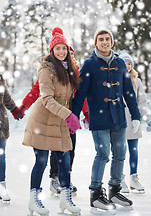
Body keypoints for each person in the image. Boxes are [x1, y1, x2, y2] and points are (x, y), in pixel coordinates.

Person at [72, 27, 141, 214]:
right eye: (101, 39)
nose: (104, 42)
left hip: (118, 116)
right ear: (95, 43)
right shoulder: (89, 64)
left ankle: (115, 190)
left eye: (107, 39)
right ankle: (95, 194)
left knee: (120, 154)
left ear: (112, 42)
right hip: (99, 116)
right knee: (102, 154)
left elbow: (129, 92)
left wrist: (136, 115)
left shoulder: (120, 63)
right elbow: (80, 93)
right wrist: (73, 115)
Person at [22, 27, 81, 216]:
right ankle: (34, 201)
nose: (61, 52)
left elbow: (73, 96)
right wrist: (68, 115)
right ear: (52, 51)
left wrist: (78, 114)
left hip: (60, 120)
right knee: (41, 161)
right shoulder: (46, 69)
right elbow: (46, 99)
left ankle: (65, 199)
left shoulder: (71, 69)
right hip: (42, 120)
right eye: (57, 49)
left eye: (64, 48)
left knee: (64, 160)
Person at [16, 46, 89, 196]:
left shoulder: (74, 71)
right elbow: (37, 91)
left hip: (70, 119)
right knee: (51, 155)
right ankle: (55, 179)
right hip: (53, 117)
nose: (64, 53)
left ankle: (65, 183)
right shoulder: (50, 70)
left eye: (67, 51)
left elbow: (82, 95)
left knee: (69, 153)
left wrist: (86, 114)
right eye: (59, 50)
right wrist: (23, 107)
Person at [118, 51, 151, 194]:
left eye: (129, 64)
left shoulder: (136, 81)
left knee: (134, 151)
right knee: (120, 152)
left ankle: (134, 177)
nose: (127, 66)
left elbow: (142, 102)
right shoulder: (115, 79)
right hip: (119, 122)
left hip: (133, 121)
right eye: (124, 63)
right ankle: (119, 178)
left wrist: (148, 118)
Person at [0, 74, 22, 202]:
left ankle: (2, 187)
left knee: (1, 158)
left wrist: (14, 109)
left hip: (0, 125)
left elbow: (6, 96)